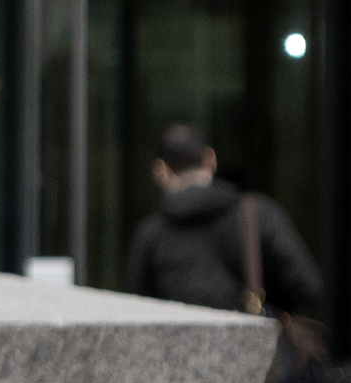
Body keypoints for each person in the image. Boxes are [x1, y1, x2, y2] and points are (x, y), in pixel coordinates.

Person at [121, 124, 326, 326]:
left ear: (161, 170)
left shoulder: (149, 235)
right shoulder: (258, 214)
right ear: (210, 159)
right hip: (253, 351)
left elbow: (136, 312)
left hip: (175, 355)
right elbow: (307, 287)